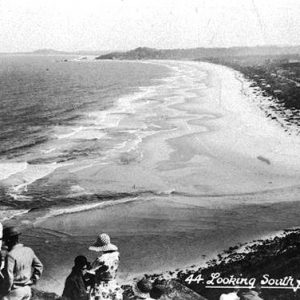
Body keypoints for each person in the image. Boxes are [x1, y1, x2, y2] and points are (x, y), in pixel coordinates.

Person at [1, 226, 43, 300]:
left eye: (5, 241)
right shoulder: (29, 250)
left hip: (15, 292)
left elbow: (9, 278)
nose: (5, 244)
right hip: (27, 290)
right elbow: (39, 266)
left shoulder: (10, 255)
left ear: (8, 240)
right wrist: (33, 280)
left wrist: (4, 292)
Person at [88, 233, 123, 300]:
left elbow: (91, 270)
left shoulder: (101, 259)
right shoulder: (117, 255)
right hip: (113, 283)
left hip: (101, 285)